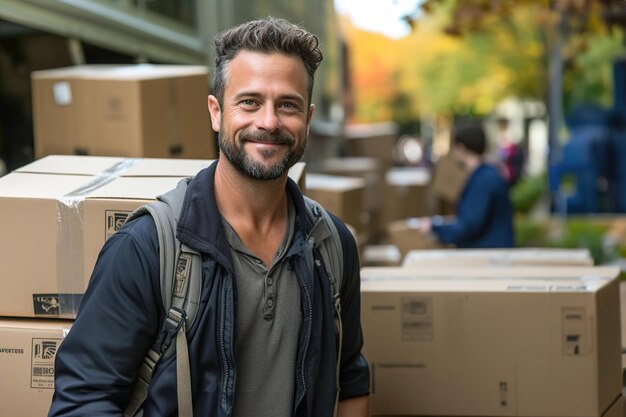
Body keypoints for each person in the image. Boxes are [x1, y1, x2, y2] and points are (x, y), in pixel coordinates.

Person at [48, 17, 370, 417]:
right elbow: (82, 403)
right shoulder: (146, 248)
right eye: (249, 102)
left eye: (287, 104)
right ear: (216, 112)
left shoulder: (334, 244)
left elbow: (351, 377)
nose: (268, 122)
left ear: (307, 118)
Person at [420, 122, 514, 248]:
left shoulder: (483, 180)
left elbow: (470, 225)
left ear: (461, 148)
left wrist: (435, 228)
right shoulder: (485, 175)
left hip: (487, 255)